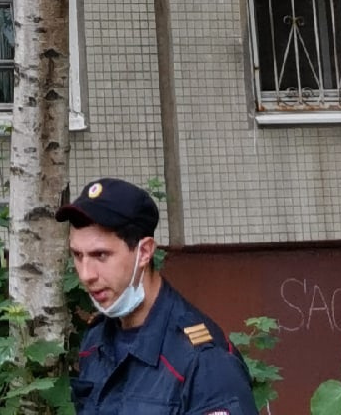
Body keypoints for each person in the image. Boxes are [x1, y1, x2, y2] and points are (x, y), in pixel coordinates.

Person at [57, 178, 257, 415]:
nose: (86, 274)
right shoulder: (96, 341)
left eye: (100, 255)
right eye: (78, 256)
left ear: (144, 252)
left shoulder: (203, 361)